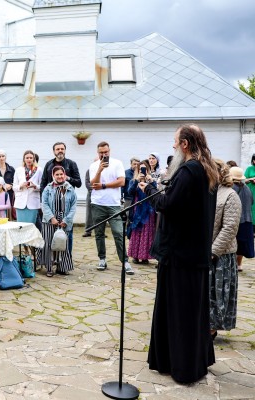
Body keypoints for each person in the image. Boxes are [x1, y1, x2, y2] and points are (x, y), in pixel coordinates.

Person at [139, 124, 217, 384]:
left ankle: (182, 366)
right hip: (193, 253)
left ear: (185, 144)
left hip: (181, 255)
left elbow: (169, 205)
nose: (173, 146)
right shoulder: (206, 169)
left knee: (180, 313)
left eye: (175, 141)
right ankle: (191, 362)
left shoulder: (189, 170)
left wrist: (149, 190)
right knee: (191, 312)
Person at [89, 142, 134, 275]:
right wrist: (99, 170)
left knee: (119, 233)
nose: (104, 155)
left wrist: (103, 185)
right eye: (101, 153)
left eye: (106, 152)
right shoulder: (93, 166)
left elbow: (122, 182)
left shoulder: (117, 163)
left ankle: (125, 261)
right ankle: (102, 259)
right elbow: (93, 183)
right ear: (98, 153)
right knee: (99, 233)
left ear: (109, 151)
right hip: (97, 203)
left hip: (113, 204)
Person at [210, 159, 240, 340]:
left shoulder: (230, 195)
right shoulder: (208, 193)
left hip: (220, 255)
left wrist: (213, 251)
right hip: (204, 252)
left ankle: (211, 329)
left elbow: (230, 227)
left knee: (217, 293)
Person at [37, 166, 77, 276]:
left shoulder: (70, 188)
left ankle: (62, 267)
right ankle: (49, 268)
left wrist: (66, 220)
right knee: (48, 244)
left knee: (63, 243)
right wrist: (51, 218)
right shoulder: (48, 188)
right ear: (53, 176)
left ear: (64, 175)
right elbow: (44, 204)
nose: (59, 176)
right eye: (57, 174)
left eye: (61, 174)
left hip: (64, 221)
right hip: (49, 221)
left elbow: (73, 206)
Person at [127, 160, 157, 264]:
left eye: (144, 169)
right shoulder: (134, 181)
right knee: (136, 231)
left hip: (148, 209)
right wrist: (136, 181)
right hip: (137, 209)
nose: (142, 171)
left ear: (148, 170)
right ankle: (135, 255)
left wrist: (152, 181)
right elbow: (130, 192)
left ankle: (145, 256)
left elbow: (156, 192)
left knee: (147, 232)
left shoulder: (150, 181)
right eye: (140, 169)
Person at [230, 166, 254, 272]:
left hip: (237, 220)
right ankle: (239, 265)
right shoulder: (247, 188)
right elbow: (252, 202)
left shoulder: (231, 189)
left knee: (234, 243)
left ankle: (233, 265)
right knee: (242, 244)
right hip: (248, 220)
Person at [13, 150, 43, 225]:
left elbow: (42, 186)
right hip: (20, 202)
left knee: (31, 226)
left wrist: (34, 186)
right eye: (27, 158)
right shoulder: (18, 170)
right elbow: (14, 187)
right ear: (24, 159)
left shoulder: (39, 170)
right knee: (20, 225)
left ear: (33, 159)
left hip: (33, 203)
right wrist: (21, 186)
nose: (29, 159)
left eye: (30, 158)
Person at [243, 153, 255, 234]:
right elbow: (244, 181)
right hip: (251, 192)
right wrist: (251, 179)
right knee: (252, 208)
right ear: (253, 161)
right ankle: (252, 228)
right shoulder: (249, 169)